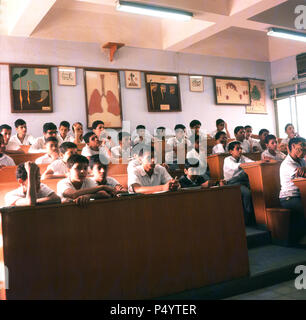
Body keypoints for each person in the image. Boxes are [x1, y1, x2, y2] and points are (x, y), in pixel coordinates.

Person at [279, 137, 306, 245]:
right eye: (302, 146)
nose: (304, 148)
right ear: (293, 146)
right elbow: (302, 174)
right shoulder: (287, 164)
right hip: (289, 198)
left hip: (302, 195)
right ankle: (301, 239)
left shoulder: (302, 161)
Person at [223, 141, 255, 225]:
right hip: (232, 183)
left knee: (257, 189)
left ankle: (255, 216)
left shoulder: (242, 158)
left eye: (241, 148)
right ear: (230, 151)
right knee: (247, 193)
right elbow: (235, 166)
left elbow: (252, 162)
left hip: (244, 181)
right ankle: (247, 218)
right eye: (237, 149)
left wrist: (261, 161)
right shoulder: (227, 160)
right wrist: (244, 164)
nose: (240, 150)